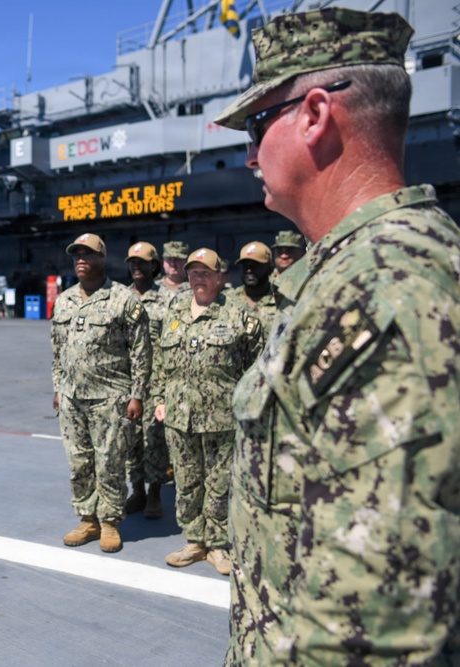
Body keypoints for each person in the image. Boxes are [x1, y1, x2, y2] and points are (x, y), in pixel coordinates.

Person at [214, 8, 460, 664]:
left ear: (315, 115)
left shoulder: (384, 296)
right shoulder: (364, 275)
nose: (247, 154)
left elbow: (379, 634)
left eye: (258, 124)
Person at [151, 248, 261, 576]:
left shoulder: (239, 316)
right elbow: (160, 361)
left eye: (206, 273)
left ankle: (217, 545)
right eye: (193, 272)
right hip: (179, 416)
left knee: (220, 482)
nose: (199, 278)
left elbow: (257, 365)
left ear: (220, 277)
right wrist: (159, 397)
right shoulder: (174, 312)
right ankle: (194, 541)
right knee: (186, 481)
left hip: (222, 418)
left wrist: (248, 406)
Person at [51, 232, 151, 553]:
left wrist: (138, 395)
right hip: (71, 397)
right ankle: (88, 519)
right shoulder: (64, 300)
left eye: (88, 254)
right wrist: (58, 387)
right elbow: (57, 348)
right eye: (76, 254)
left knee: (110, 461)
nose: (81, 259)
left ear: (102, 258)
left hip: (111, 397)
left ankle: (110, 522)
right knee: (78, 460)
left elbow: (141, 351)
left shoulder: (123, 299)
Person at [123, 241, 171, 519]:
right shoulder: (120, 297)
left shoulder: (167, 300)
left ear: (154, 265)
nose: (137, 266)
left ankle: (155, 493)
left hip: (155, 380)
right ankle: (137, 490)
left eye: (142, 262)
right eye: (132, 262)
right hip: (126, 382)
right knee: (131, 439)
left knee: (154, 439)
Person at [234, 241, 278, 333]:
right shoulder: (228, 300)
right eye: (245, 266)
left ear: (270, 268)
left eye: (255, 265)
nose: (249, 270)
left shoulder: (281, 300)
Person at [155, 241, 192, 307]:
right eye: (169, 259)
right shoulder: (154, 287)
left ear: (186, 262)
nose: (172, 264)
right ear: (163, 262)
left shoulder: (194, 287)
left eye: (177, 259)